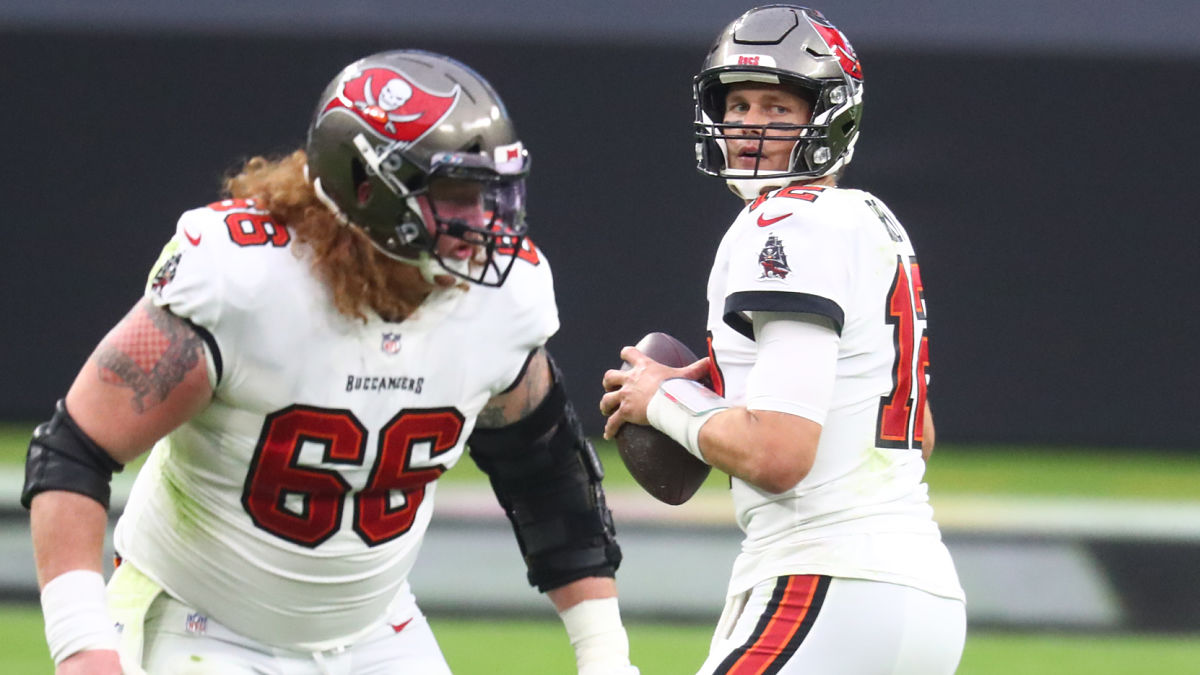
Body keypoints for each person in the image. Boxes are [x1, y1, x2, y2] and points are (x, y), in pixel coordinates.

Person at [24, 49, 638, 675]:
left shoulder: (503, 298)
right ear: (366, 187)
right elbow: (74, 451)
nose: (485, 223)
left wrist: (605, 657)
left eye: (493, 194)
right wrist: (82, 646)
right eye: (456, 195)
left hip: (376, 630)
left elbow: (546, 473)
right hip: (199, 621)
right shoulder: (243, 283)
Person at [600, 6, 965, 674]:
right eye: (737, 104)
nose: (749, 125)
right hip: (917, 592)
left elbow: (779, 453)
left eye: (777, 105)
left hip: (829, 581)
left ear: (829, 118)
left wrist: (661, 400)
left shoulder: (787, 225)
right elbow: (921, 434)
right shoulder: (871, 219)